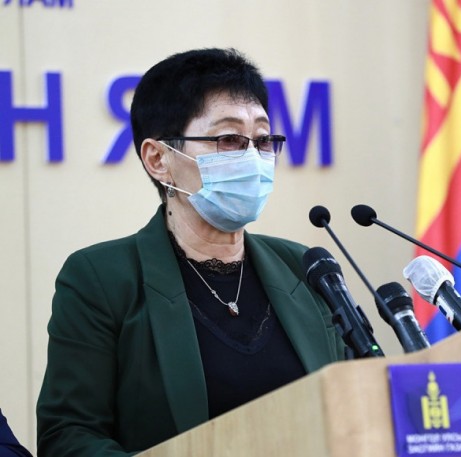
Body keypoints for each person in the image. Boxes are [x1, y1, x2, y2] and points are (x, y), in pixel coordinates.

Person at [36, 48, 346, 456]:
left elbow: (353, 403)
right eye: (229, 139)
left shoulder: (304, 268)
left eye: (262, 140)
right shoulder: (101, 278)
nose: (253, 158)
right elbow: (68, 436)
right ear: (158, 159)